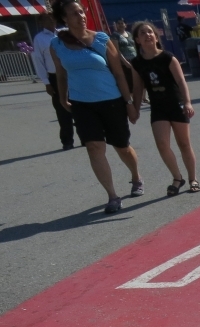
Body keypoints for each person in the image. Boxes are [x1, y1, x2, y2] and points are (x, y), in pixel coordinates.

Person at [50, 0, 143, 214]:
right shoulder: (56, 44)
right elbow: (61, 74)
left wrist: (129, 103)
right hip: (82, 104)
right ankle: (112, 195)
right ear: (64, 19)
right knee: (94, 147)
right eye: (74, 13)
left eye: (81, 12)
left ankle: (136, 177)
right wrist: (63, 99)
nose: (81, 16)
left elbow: (119, 73)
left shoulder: (101, 39)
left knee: (122, 146)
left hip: (111, 101)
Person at [130, 22, 198, 196]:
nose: (147, 35)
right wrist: (135, 109)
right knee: (162, 144)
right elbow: (138, 88)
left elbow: (181, 81)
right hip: (158, 108)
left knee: (184, 143)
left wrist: (188, 102)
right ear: (137, 40)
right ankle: (177, 178)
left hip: (176, 104)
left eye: (150, 32)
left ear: (155, 36)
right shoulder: (136, 63)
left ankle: (192, 179)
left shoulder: (168, 57)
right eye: (143, 33)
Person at [31, 13, 76, 150]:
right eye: (47, 19)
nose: (51, 21)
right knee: (62, 110)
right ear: (41, 22)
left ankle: (86, 138)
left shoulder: (63, 33)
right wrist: (46, 82)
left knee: (80, 106)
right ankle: (67, 140)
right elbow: (38, 60)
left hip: (72, 74)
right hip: (55, 76)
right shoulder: (39, 38)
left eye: (53, 18)